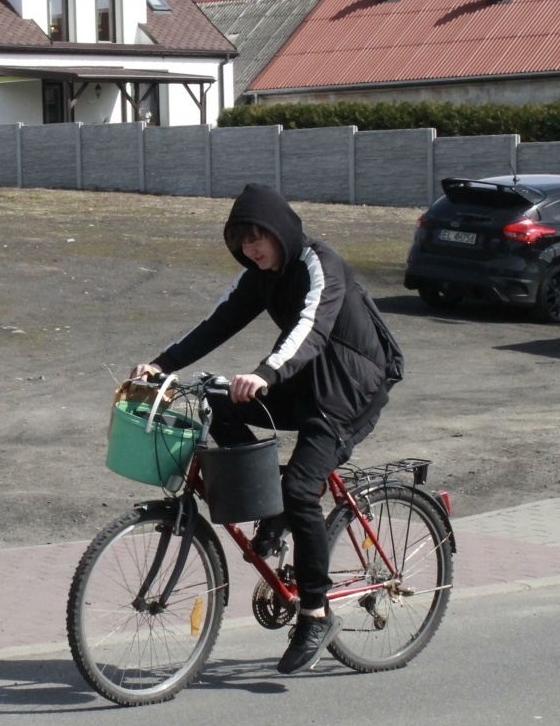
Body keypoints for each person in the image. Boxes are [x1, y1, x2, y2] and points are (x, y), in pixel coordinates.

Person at [131, 183, 403, 675]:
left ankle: (316, 613)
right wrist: (162, 366)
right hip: (303, 379)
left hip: (350, 388)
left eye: (260, 238)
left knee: (302, 487)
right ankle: (272, 511)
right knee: (220, 403)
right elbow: (215, 324)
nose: (252, 249)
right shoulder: (257, 275)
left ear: (282, 231)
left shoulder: (321, 264)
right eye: (243, 240)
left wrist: (267, 372)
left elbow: (311, 327)